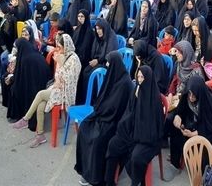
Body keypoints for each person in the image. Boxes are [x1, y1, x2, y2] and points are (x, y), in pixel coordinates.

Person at [75, 51, 134, 186]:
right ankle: (85, 169)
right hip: (104, 115)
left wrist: (102, 111)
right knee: (84, 126)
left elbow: (118, 108)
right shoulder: (113, 76)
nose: (106, 65)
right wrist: (99, 110)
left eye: (108, 62)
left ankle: (95, 176)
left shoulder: (125, 84)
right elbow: (103, 98)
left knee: (98, 139)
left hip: (115, 121)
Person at [12, 34, 81, 148]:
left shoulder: (74, 59)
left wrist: (61, 66)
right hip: (57, 87)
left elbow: (70, 79)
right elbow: (57, 75)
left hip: (66, 92)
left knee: (40, 94)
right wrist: (59, 74)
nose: (58, 49)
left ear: (67, 46)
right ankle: (40, 135)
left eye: (60, 47)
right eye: (58, 46)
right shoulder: (62, 55)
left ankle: (25, 119)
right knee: (40, 106)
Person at [104, 66, 164, 186]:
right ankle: (109, 181)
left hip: (147, 138)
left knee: (136, 157)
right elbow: (129, 113)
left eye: (143, 77)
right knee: (113, 144)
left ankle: (136, 183)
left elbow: (152, 125)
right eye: (139, 76)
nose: (140, 80)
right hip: (131, 131)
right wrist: (136, 99)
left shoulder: (154, 98)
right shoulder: (136, 91)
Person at [165, 76, 212, 181]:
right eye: (189, 94)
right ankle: (175, 164)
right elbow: (181, 108)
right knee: (174, 128)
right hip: (195, 123)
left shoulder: (209, 101)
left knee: (202, 146)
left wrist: (195, 134)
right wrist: (178, 116)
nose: (190, 97)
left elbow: (211, 125)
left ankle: (203, 176)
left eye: (194, 95)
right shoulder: (188, 94)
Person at [3, 25, 51, 126]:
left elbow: (22, 76)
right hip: (36, 80)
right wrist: (13, 77)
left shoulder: (26, 58)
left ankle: (17, 115)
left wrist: (13, 78)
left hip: (37, 84)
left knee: (14, 89)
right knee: (10, 81)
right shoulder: (28, 53)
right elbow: (22, 74)